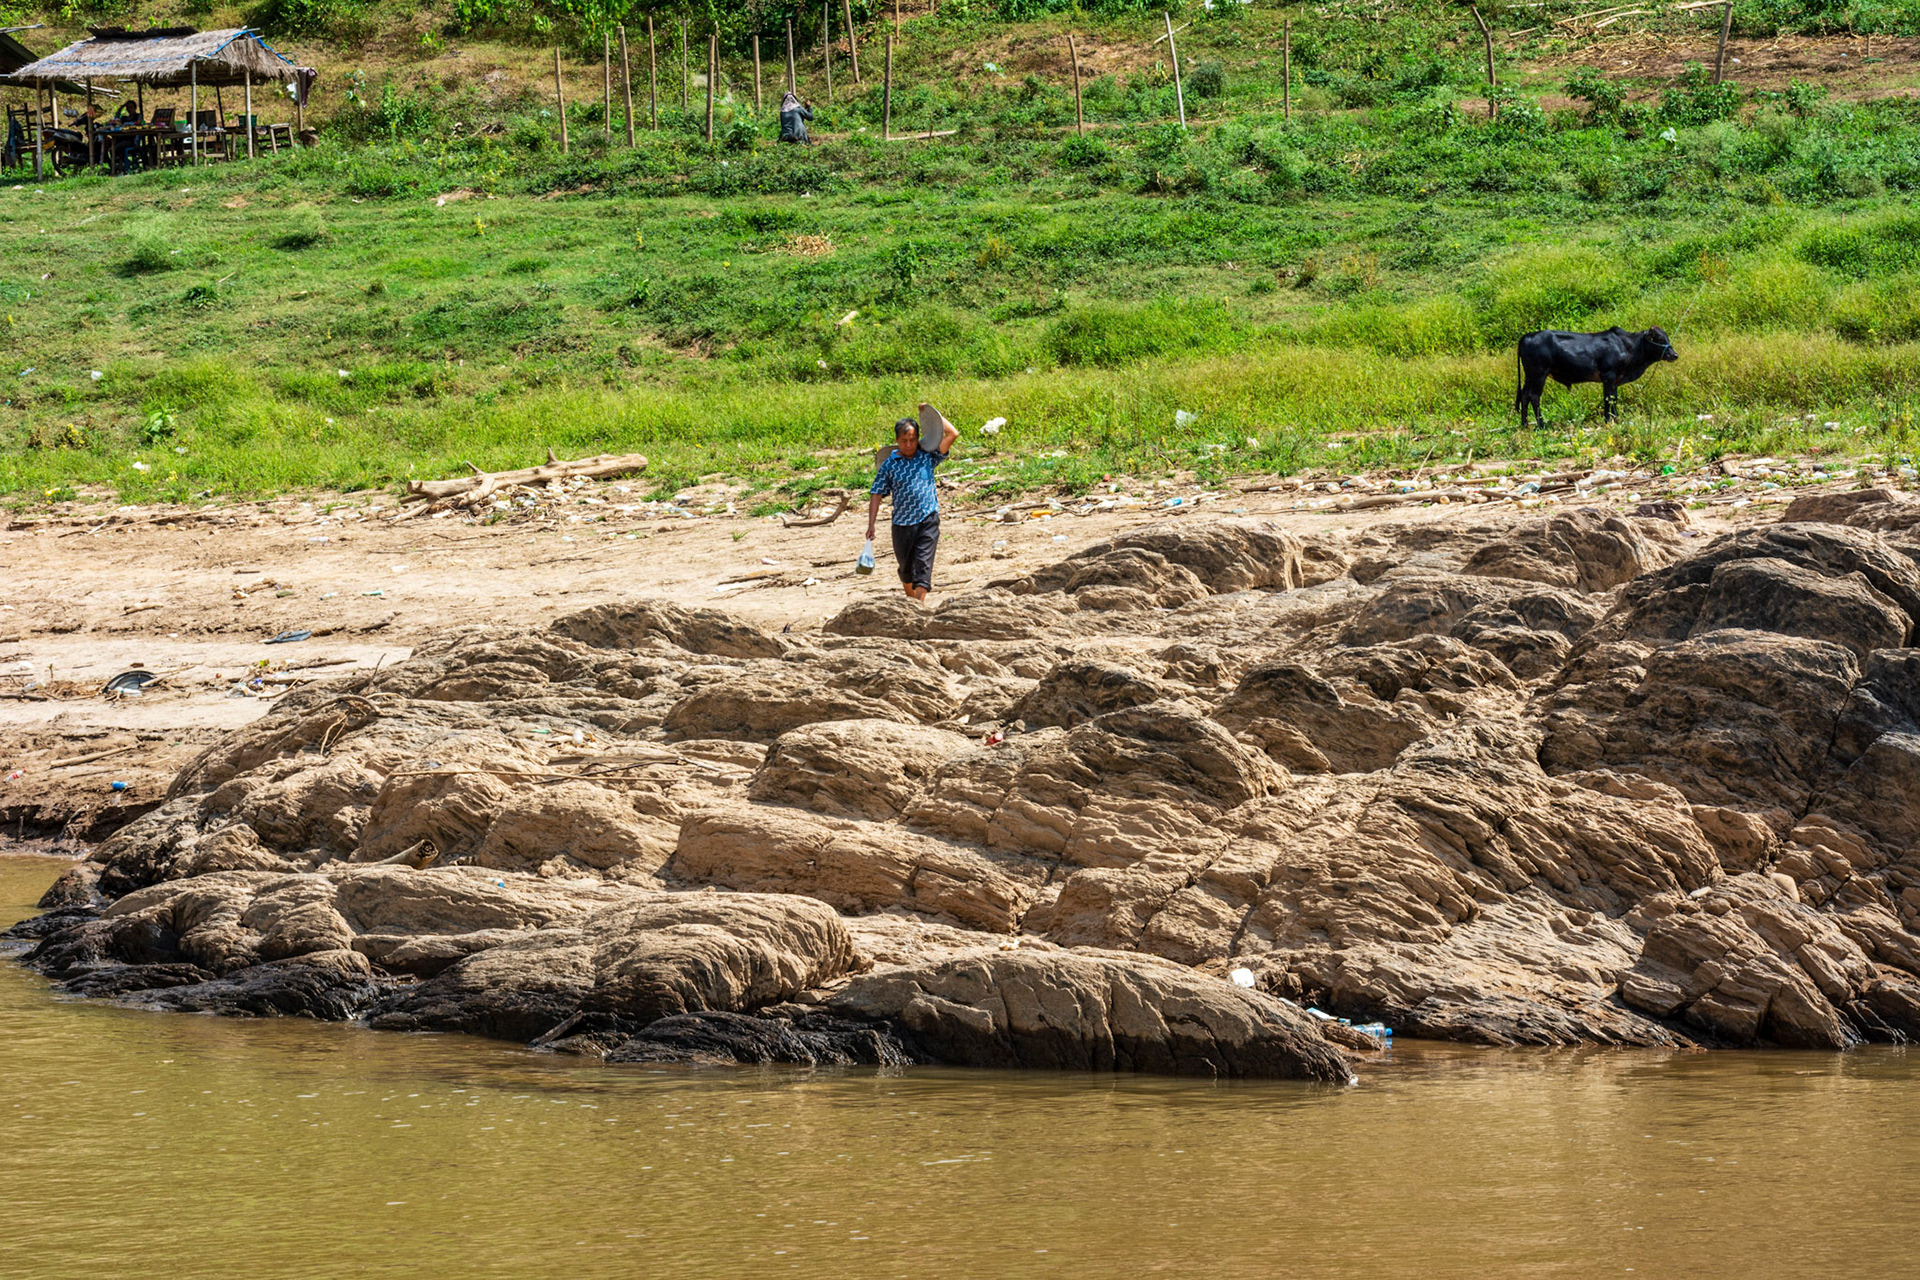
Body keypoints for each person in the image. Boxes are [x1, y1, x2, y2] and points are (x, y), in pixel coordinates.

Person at [867, 404, 958, 602]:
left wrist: (931, 413)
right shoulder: (889, 465)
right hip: (902, 525)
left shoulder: (928, 456)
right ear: (897, 441)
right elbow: (876, 494)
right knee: (906, 570)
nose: (909, 445)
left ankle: (919, 606)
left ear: (918, 439)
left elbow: (952, 434)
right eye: (904, 441)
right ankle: (914, 606)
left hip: (927, 519)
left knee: (923, 567)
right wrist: (871, 525)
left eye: (912, 440)